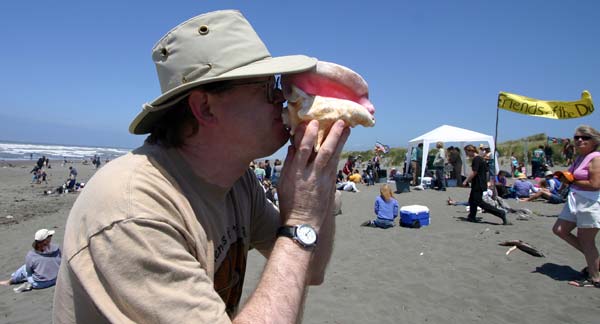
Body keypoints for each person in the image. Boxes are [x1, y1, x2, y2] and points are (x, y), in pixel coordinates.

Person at [52, 10, 351, 323]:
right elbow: (297, 245)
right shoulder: (133, 211)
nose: (282, 96)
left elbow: (310, 269)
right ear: (205, 107)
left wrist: (322, 180)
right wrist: (301, 218)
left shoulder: (238, 181)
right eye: (267, 86)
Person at [552, 125, 600, 288]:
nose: (580, 140)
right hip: (575, 200)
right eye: (577, 137)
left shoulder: (596, 157)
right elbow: (572, 176)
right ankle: (596, 263)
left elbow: (595, 184)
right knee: (560, 230)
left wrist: (571, 180)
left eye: (585, 137)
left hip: (590, 202)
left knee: (587, 241)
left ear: (594, 141)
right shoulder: (579, 157)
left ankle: (595, 278)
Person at [0, 229, 62, 293]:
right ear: (47, 240)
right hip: (57, 280)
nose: (51, 237)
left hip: (40, 284)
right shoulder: (57, 249)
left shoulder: (31, 255)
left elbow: (29, 271)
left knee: (24, 269)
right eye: (50, 236)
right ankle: (22, 282)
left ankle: (10, 281)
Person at [462, 144, 510, 225]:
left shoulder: (476, 159)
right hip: (480, 183)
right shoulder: (481, 159)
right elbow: (486, 171)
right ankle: (471, 216)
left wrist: (466, 181)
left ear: (470, 151)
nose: (466, 154)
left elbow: (474, 172)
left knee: (479, 202)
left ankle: (500, 213)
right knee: (472, 200)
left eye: (466, 152)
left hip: (478, 183)